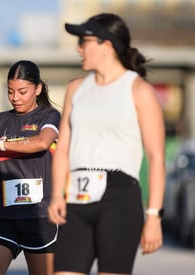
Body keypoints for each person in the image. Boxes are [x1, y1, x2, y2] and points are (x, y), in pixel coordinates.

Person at [47, 13, 165, 275]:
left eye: (84, 41)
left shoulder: (139, 91)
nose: (78, 48)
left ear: (107, 45)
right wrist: (57, 194)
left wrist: (154, 215)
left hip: (119, 197)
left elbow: (156, 157)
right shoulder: (75, 90)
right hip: (76, 196)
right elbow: (63, 148)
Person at [0, 60, 61, 275]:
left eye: (22, 91)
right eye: (10, 91)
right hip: (1, 215)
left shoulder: (49, 116)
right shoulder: (0, 119)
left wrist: (2, 145)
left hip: (39, 215)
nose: (15, 98)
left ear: (38, 88)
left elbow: (42, 142)